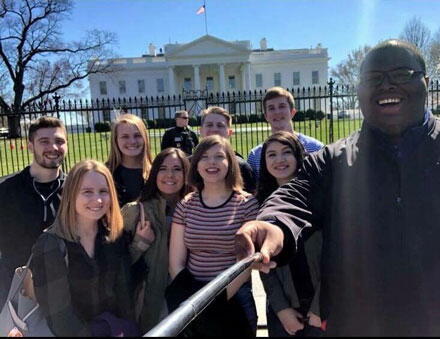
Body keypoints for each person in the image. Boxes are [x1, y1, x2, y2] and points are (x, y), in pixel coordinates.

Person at [235, 39, 440, 336]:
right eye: (373, 78)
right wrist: (273, 226)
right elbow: (296, 196)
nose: (386, 85)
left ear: (426, 81)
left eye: (401, 74)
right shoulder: (333, 159)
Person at [31, 160, 138, 337]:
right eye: (87, 192)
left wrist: (124, 329)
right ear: (71, 195)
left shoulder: (114, 237)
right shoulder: (50, 245)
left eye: (103, 191)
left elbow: (124, 296)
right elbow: (60, 318)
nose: (97, 200)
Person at [168, 135, 259, 336]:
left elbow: (246, 261)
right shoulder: (186, 204)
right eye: (204, 157)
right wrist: (195, 300)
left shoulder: (247, 204)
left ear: (230, 163)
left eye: (219, 157)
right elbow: (176, 262)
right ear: (196, 165)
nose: (212, 163)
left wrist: (216, 298)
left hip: (234, 297)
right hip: (191, 298)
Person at [256, 132, 323, 337]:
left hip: (323, 307)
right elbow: (264, 264)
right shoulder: (262, 205)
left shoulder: (321, 198)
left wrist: (320, 307)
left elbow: (337, 256)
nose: (279, 160)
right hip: (284, 311)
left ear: (298, 156)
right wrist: (281, 309)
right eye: (272, 155)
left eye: (287, 152)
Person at [121, 148, 191, 333]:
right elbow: (116, 264)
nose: (170, 175)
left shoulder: (197, 209)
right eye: (163, 168)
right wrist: (140, 243)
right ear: (154, 173)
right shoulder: (135, 211)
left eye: (177, 169)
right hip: (152, 300)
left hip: (189, 295)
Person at [0, 116, 68, 307]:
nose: (53, 148)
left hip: (64, 292)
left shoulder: (76, 190)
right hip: (14, 292)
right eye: (44, 141)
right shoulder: (7, 191)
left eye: (59, 141)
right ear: (30, 146)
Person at [247, 87, 323, 179]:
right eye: (271, 108)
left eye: (282, 106)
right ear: (266, 116)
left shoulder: (316, 149)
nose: (277, 112)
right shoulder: (255, 156)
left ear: (292, 112)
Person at [200, 106, 256, 193]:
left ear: (229, 132)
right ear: (201, 131)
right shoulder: (190, 164)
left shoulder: (241, 167)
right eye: (209, 125)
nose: (214, 129)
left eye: (220, 125)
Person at [107, 113, 153, 207]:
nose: (132, 141)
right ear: (115, 140)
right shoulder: (106, 173)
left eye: (137, 135)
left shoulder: (156, 172)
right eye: (125, 136)